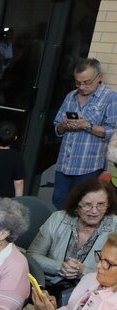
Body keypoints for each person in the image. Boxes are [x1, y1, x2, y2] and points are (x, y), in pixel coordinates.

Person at [28, 178, 117, 301]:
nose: (94, 211)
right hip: (50, 287)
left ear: (108, 206)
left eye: (101, 204)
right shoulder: (58, 219)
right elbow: (33, 256)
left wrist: (83, 271)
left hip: (94, 294)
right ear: (77, 205)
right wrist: (60, 267)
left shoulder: (115, 227)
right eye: (87, 205)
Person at [52, 58, 117, 209]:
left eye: (87, 82)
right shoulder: (71, 96)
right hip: (64, 164)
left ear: (99, 77)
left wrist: (86, 125)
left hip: (88, 166)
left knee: (82, 206)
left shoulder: (111, 98)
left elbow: (112, 132)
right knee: (59, 202)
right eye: (78, 82)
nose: (81, 87)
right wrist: (63, 125)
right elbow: (57, 128)